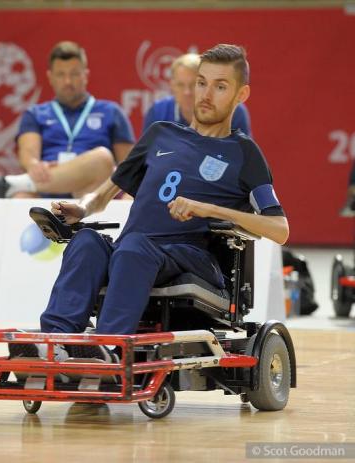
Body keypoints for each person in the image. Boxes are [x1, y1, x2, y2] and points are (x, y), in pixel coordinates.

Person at [15, 44, 289, 360]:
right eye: (202, 82)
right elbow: (105, 193)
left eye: (220, 86)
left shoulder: (245, 153)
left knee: (133, 248)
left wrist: (208, 209)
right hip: (137, 250)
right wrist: (83, 208)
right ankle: (55, 344)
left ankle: (109, 348)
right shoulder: (160, 134)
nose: (205, 94)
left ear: (242, 95)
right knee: (87, 242)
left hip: (191, 256)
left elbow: (279, 229)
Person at [0, 41, 135, 199]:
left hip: (91, 194)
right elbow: (28, 155)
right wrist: (33, 165)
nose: (68, 81)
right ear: (50, 77)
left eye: (74, 74)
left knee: (102, 158)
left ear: (86, 75)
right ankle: (19, 186)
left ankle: (12, 184)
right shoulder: (35, 113)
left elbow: (129, 167)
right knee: (21, 197)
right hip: (46, 191)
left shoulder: (111, 111)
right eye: (61, 74)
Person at [143, 52, 252, 136]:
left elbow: (244, 158)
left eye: (194, 84)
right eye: (180, 85)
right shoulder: (158, 111)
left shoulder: (233, 110)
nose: (187, 92)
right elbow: (145, 158)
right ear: (172, 86)